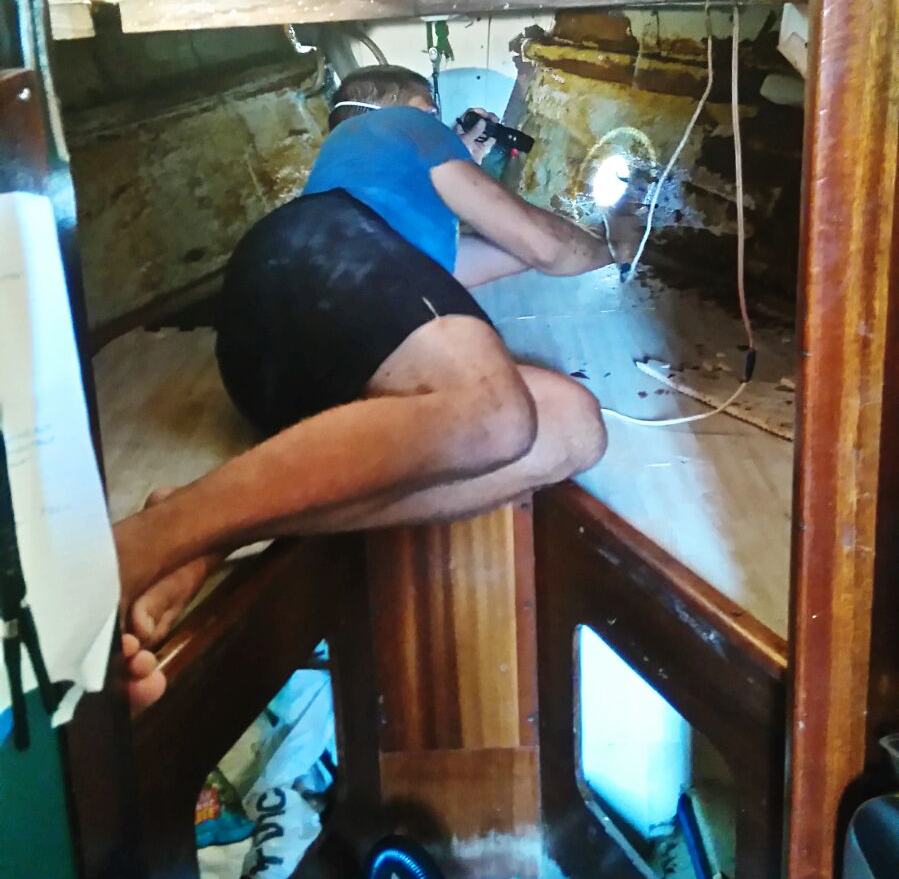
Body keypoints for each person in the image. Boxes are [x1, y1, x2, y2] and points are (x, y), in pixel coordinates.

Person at [117, 64, 636, 706]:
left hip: (284, 363)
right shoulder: (404, 126)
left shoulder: (397, 229)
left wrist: (488, 193)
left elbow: (518, 254)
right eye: (434, 112)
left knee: (572, 428)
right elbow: (545, 245)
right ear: (415, 106)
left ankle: (215, 530)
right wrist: (617, 247)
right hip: (314, 252)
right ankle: (146, 541)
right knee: (496, 412)